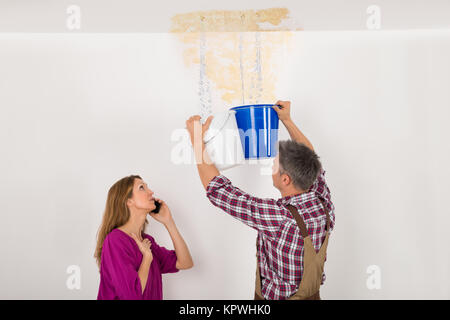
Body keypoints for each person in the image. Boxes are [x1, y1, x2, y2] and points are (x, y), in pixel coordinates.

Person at [186, 100, 335, 300]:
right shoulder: (322, 200)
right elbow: (311, 157)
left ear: (285, 179)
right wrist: (287, 120)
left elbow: (219, 190)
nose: (271, 166)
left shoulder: (279, 217)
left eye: (274, 163)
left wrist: (197, 141)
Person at [94, 175, 193, 300]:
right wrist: (147, 258)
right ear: (128, 201)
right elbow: (131, 296)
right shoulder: (115, 240)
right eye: (142, 188)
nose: (151, 192)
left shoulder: (147, 241)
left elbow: (185, 263)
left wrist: (169, 222)